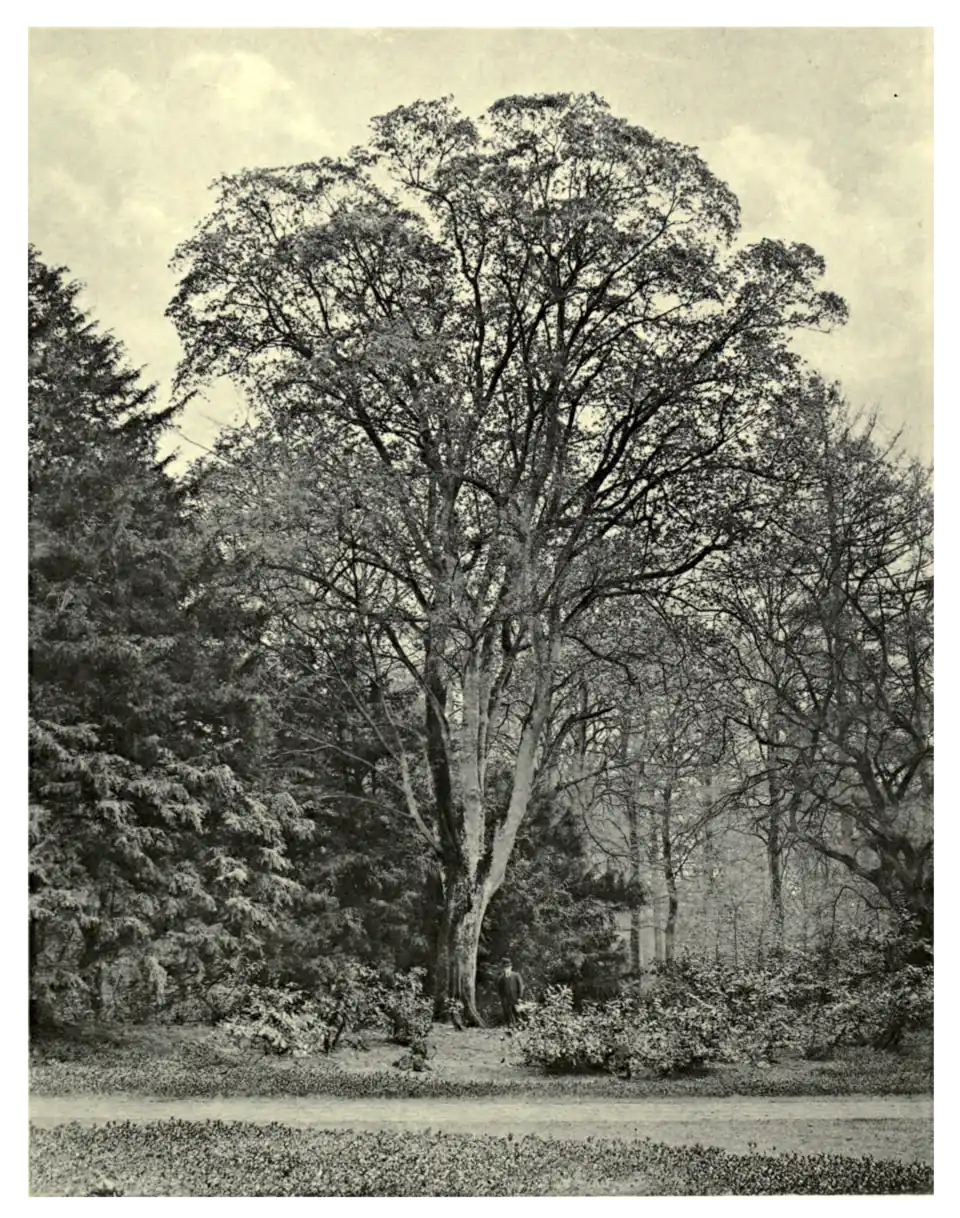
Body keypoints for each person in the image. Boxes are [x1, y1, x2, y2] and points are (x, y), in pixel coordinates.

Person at [497, 958, 525, 1028]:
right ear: (503, 968)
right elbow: (499, 990)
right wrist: (501, 999)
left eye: (508, 967)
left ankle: (520, 1025)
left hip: (515, 997)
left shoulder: (516, 975)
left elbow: (520, 986)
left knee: (516, 1012)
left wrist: (520, 997)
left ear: (511, 967)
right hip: (505, 998)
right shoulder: (501, 978)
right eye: (505, 967)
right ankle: (509, 1026)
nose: (507, 969)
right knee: (506, 1012)